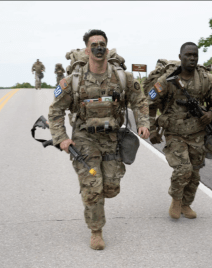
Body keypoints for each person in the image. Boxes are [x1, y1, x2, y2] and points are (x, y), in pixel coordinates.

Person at [48, 29, 150, 250]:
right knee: (93, 184)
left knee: (110, 187)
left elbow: (140, 100)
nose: (98, 48)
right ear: (87, 50)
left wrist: (143, 123)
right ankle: (96, 231)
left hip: (112, 137)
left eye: (102, 43)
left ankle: (98, 195)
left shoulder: (122, 77)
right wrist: (61, 138)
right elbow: (55, 112)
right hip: (84, 138)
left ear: (107, 47)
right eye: (94, 44)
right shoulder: (73, 81)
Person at [148, 42, 212, 220]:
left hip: (198, 132)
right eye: (188, 55)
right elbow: (150, 104)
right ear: (180, 57)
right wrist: (152, 130)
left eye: (195, 56)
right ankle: (176, 199)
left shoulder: (206, 79)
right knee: (183, 168)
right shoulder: (166, 80)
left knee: (195, 172)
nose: (192, 58)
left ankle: (186, 204)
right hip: (174, 132)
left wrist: (210, 113)